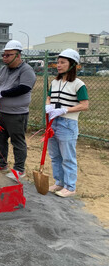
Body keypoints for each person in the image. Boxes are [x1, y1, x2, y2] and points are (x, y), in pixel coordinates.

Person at [0, 40, 36, 180]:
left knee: (17, 141)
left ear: (18, 55)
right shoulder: (3, 69)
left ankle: (19, 169)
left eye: (8, 55)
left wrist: (1, 94)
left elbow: (24, 88)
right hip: (1, 111)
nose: (5, 58)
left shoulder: (26, 70)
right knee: (0, 140)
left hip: (17, 113)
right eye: (4, 55)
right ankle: (2, 163)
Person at [46, 49, 89, 198]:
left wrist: (65, 110)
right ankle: (59, 182)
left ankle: (70, 187)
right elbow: (49, 97)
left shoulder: (79, 84)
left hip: (68, 123)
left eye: (63, 62)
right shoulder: (54, 82)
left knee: (68, 156)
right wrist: (48, 106)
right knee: (55, 155)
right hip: (53, 121)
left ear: (72, 65)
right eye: (58, 62)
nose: (58, 65)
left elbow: (85, 105)